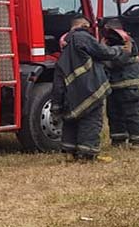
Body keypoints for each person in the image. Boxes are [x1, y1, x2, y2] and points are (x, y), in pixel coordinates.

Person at [51, 16, 127, 161]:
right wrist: (119, 49)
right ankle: (87, 154)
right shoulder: (82, 37)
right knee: (91, 121)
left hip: (71, 96)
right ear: (84, 25)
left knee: (71, 119)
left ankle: (69, 152)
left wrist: (57, 106)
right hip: (91, 90)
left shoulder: (65, 49)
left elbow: (58, 84)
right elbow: (104, 53)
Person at [102, 24, 139, 146]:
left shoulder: (128, 44)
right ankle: (118, 140)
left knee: (132, 114)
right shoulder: (116, 44)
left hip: (128, 87)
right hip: (114, 86)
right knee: (114, 114)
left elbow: (116, 63)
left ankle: (137, 140)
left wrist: (102, 49)